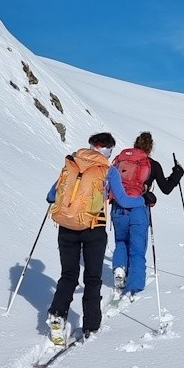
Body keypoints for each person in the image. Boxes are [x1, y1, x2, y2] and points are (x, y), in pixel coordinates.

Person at [44, 132, 145, 345]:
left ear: (91, 146)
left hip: (66, 227)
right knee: (92, 278)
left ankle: (57, 314)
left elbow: (51, 196)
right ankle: (91, 325)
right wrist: (143, 200)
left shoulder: (72, 163)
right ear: (108, 149)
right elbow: (124, 200)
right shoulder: (109, 170)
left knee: (68, 275)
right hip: (94, 228)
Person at [108, 132, 184, 301]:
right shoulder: (151, 165)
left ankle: (119, 268)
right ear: (150, 148)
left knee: (121, 241)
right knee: (137, 249)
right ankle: (134, 287)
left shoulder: (121, 161)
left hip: (118, 208)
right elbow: (166, 188)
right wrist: (177, 173)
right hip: (138, 208)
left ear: (135, 144)